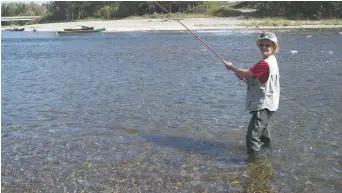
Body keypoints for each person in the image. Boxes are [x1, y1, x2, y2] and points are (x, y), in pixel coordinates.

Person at [223, 32, 280, 161]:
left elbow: (247, 72)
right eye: (262, 45)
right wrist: (244, 75)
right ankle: (267, 155)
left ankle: (253, 162)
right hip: (271, 103)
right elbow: (256, 76)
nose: (264, 47)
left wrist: (232, 68)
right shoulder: (271, 61)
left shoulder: (264, 64)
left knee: (252, 136)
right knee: (264, 133)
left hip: (263, 104)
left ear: (274, 47)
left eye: (268, 45)